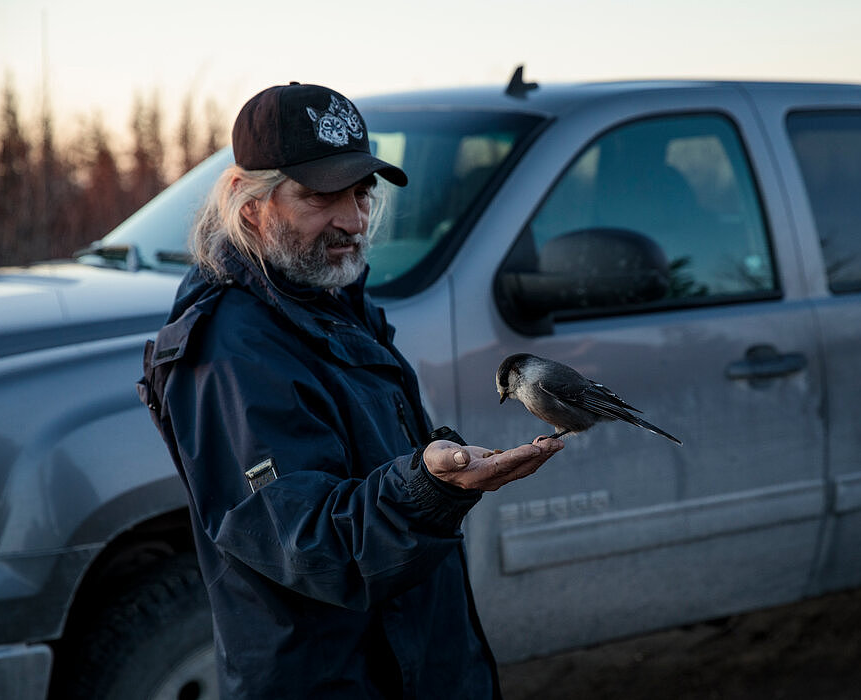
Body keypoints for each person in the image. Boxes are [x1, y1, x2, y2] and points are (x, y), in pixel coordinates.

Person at [137, 82, 563, 699]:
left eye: (361, 193)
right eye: (320, 196)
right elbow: (309, 542)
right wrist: (428, 489)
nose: (353, 220)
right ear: (248, 203)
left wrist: (430, 474)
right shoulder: (233, 351)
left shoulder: (328, 301)